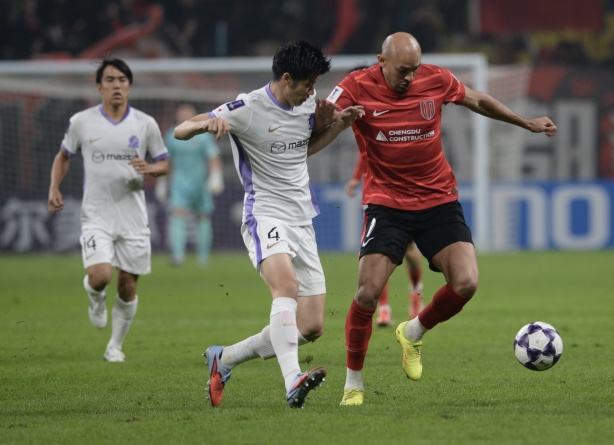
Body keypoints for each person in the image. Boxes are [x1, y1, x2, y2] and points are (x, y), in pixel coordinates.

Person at [327, 32, 557, 406]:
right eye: (403, 70)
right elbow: (323, 115)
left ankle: (413, 332)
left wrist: (525, 122)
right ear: (381, 62)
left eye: (415, 70)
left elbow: (478, 99)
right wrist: (329, 121)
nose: (410, 77)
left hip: (438, 200)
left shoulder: (436, 78)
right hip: (387, 204)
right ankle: (353, 383)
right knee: (367, 293)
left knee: (466, 282)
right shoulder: (355, 85)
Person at [173, 40, 364, 409]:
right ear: (286, 78)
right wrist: (205, 123)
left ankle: (224, 358)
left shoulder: (308, 102)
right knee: (286, 287)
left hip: (302, 218)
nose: (312, 91)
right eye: (307, 84)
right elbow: (182, 129)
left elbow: (303, 148)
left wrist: (339, 126)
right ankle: (292, 380)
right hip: (265, 214)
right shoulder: (247, 108)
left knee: (310, 326)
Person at [47, 58, 169, 363]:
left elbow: (164, 163)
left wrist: (151, 168)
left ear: (129, 87)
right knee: (100, 276)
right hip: (96, 214)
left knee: (127, 286)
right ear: (99, 86)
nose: (117, 85)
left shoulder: (145, 123)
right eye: (110, 80)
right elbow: (64, 156)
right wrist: (54, 188)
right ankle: (95, 296)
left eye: (122, 80)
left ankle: (115, 345)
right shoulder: (81, 121)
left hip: (133, 217)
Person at [345, 152, 423, 326]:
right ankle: (384, 309)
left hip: (403, 193)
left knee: (409, 250)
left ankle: (416, 294)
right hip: (376, 197)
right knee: (376, 253)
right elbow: (365, 151)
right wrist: (356, 178)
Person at [157, 103, 223, 267]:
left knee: (203, 216)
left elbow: (213, 156)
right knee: (178, 214)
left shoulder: (203, 134)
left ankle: (203, 257)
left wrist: (215, 176)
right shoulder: (171, 134)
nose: (185, 115)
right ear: (177, 115)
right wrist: (162, 182)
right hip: (179, 182)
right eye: (182, 112)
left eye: (189, 112)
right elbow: (167, 160)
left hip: (200, 182)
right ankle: (178, 256)